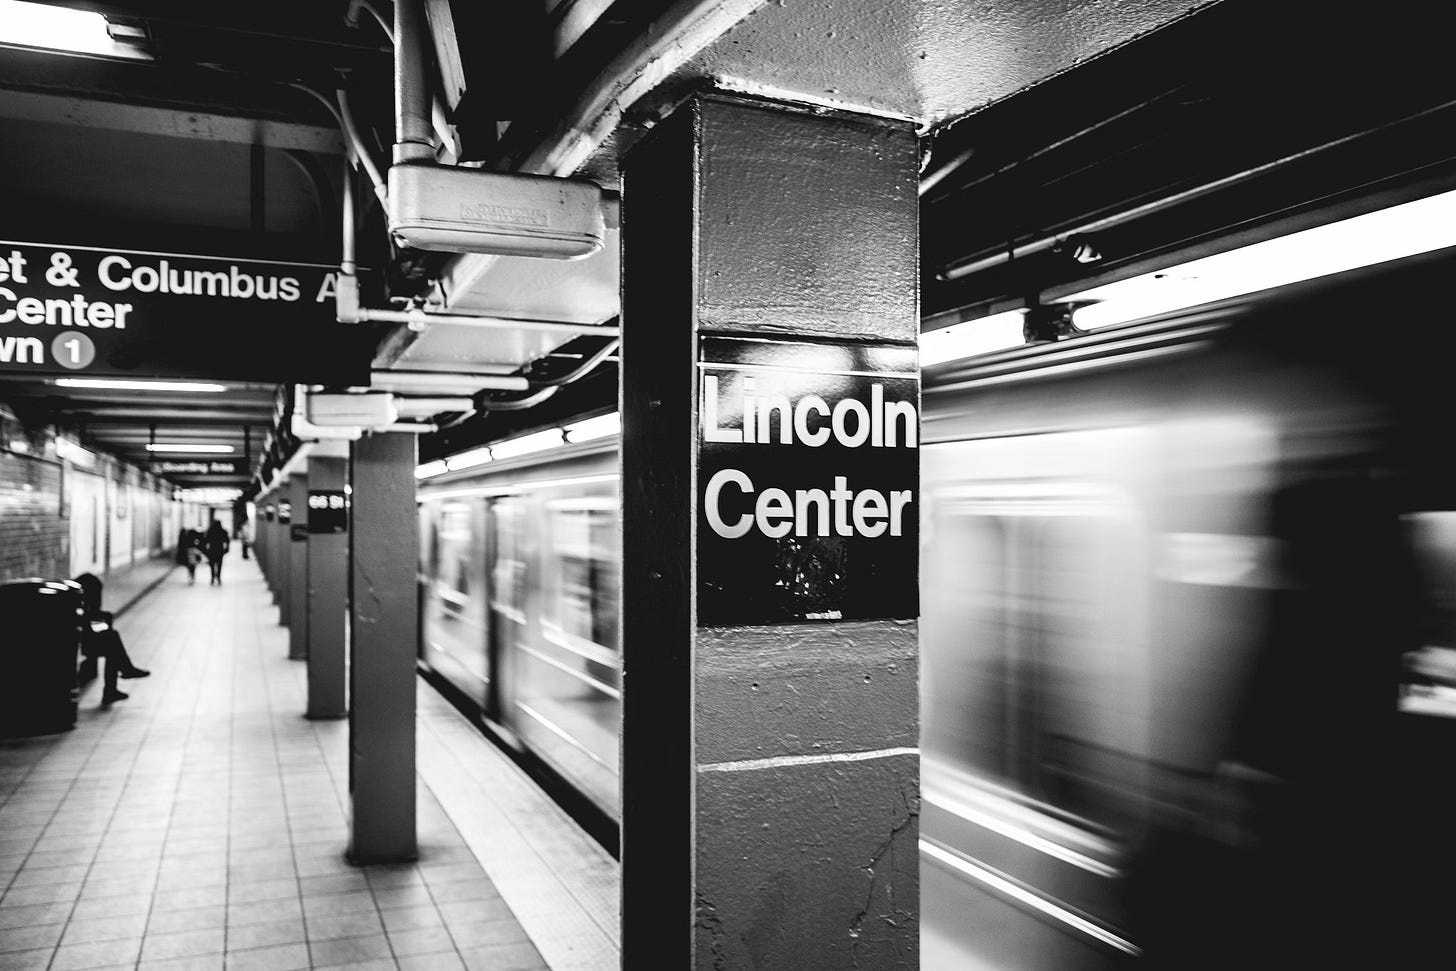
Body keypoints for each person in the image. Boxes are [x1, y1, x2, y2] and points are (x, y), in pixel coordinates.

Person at [73, 574, 150, 705]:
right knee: (112, 641)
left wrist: (103, 621)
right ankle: (119, 678)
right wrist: (103, 622)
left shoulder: (84, 607)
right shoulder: (78, 609)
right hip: (80, 644)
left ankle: (119, 679)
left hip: (83, 641)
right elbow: (88, 627)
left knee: (112, 644)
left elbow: (94, 626)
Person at [203, 519, 231, 585]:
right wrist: (227, 549)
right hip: (220, 550)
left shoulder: (210, 531)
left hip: (212, 550)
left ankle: (212, 578)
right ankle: (218, 577)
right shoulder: (223, 531)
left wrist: (205, 550)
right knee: (219, 564)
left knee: (212, 565)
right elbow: (227, 541)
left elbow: (206, 540)